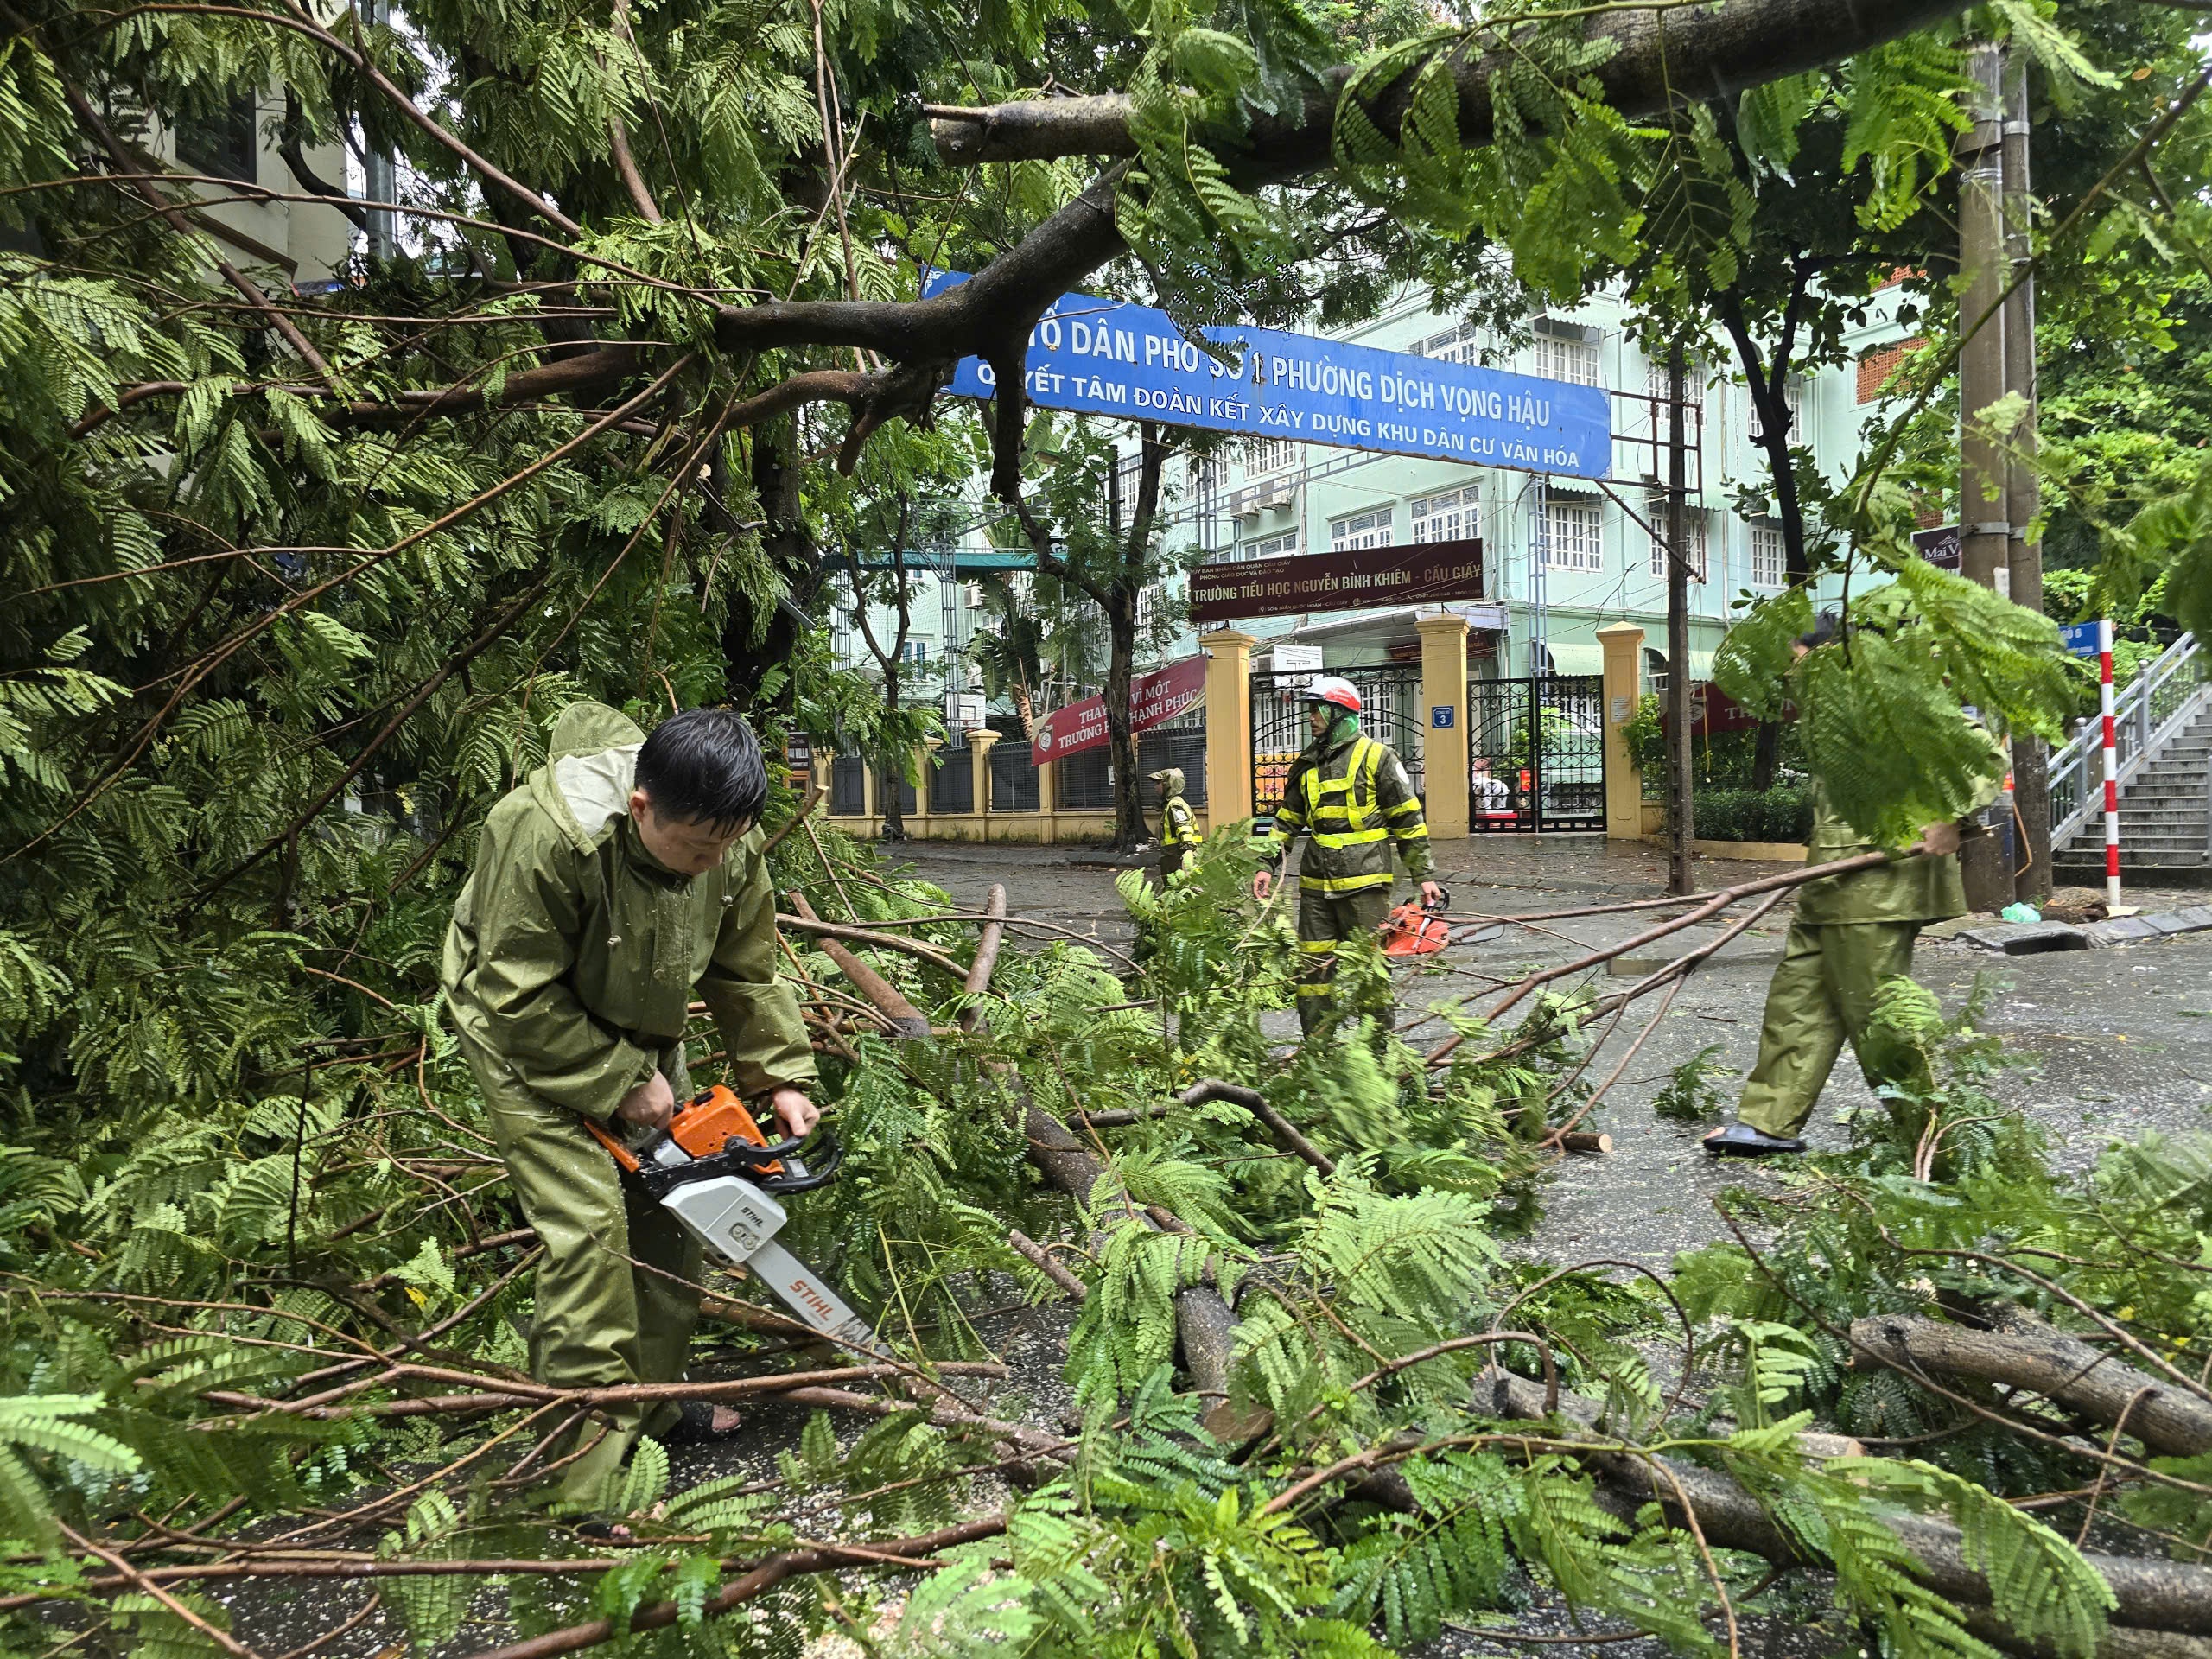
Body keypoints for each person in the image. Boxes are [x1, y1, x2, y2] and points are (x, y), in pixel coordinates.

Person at [442, 702, 818, 1511]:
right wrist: (615, 1080)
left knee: (675, 1215)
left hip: (641, 1022)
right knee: (589, 1237)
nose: (705, 864)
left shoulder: (723, 833)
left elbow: (744, 968)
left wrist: (778, 1078)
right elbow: (512, 989)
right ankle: (577, 1483)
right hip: (521, 1033)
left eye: (721, 848)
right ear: (641, 808)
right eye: (692, 850)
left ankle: (646, 1406)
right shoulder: (545, 833)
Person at [1703, 620, 2001, 1157]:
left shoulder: (1886, 698)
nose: (1796, 679)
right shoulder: (1832, 713)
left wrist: (1950, 815)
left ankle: (1936, 1136)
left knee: (1879, 1014)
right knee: (1796, 1001)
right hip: (1829, 883)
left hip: (1877, 887)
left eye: (1802, 665)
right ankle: (1770, 1121)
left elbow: (1981, 752)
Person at [1252, 677, 1444, 1033]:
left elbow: (1407, 819)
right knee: (1312, 971)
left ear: (1340, 713)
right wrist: (1267, 864)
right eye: (1310, 710)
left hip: (1364, 884)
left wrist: (1424, 875)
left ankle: (1375, 1051)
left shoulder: (1378, 757)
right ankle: (1318, 1051)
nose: (1310, 718)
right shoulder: (1306, 764)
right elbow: (1287, 821)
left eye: (1317, 710)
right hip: (1315, 885)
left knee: (1368, 970)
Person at [1151, 766, 1204, 885]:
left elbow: (1184, 827)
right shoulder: (1172, 804)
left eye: (1158, 783)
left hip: (1176, 856)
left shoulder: (1175, 805)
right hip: (1172, 856)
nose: (1155, 787)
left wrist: (1188, 850)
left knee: (1179, 891)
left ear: (1168, 784)